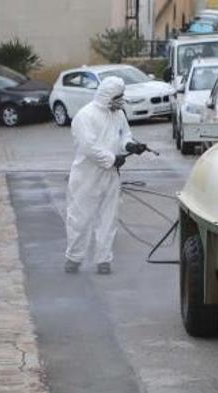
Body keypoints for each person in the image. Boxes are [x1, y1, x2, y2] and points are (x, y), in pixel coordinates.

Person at [64, 76, 148, 275]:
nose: (121, 100)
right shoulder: (85, 116)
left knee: (108, 218)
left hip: (110, 176)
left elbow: (123, 134)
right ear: (107, 96)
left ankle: (103, 260)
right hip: (87, 176)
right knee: (80, 218)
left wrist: (130, 146)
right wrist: (112, 159)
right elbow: (88, 147)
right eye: (118, 96)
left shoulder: (118, 114)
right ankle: (74, 257)